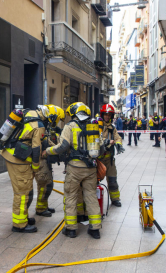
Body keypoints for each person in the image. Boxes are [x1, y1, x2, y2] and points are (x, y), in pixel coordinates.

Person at [43, 102, 102, 239]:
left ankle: (71, 229)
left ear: (74, 112)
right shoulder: (94, 126)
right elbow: (101, 146)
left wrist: (47, 151)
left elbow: (63, 146)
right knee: (91, 196)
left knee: (70, 197)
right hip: (91, 168)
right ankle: (95, 229)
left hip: (74, 168)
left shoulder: (70, 126)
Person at [0, 105, 47, 233]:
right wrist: (36, 167)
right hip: (19, 160)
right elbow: (37, 149)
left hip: (10, 153)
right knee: (22, 191)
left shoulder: (27, 113)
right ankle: (19, 224)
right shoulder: (39, 124)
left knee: (23, 189)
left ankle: (23, 217)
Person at [34, 105, 65, 217]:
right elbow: (40, 143)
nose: (57, 122)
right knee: (45, 183)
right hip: (40, 159)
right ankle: (41, 209)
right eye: (58, 119)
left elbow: (48, 142)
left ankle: (43, 205)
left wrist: (57, 149)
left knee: (48, 184)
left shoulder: (45, 126)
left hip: (44, 159)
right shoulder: (41, 125)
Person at [99, 104, 124, 207]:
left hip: (109, 159)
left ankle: (115, 199)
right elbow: (97, 139)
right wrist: (107, 141)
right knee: (93, 182)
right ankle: (93, 199)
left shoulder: (112, 128)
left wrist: (118, 144)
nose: (107, 117)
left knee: (113, 180)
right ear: (102, 115)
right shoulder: (98, 126)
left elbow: (117, 137)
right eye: (106, 114)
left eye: (109, 115)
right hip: (98, 159)